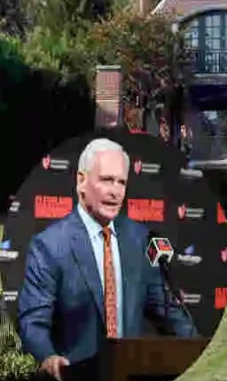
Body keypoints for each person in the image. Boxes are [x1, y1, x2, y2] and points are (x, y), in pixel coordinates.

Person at [17, 138, 198, 380]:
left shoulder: (139, 239)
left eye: (121, 182)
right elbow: (33, 322)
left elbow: (167, 310)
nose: (115, 191)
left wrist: (202, 351)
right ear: (81, 181)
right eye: (106, 180)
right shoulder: (50, 245)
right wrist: (48, 357)